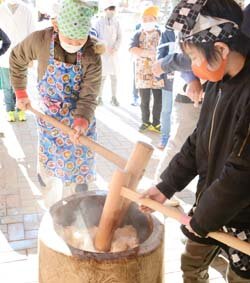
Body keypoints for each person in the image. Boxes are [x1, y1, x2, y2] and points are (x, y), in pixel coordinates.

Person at [142, 0, 250, 281]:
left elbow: (242, 173)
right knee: (191, 265)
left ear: (221, 49)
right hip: (209, 205)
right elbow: (197, 141)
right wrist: (166, 185)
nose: (193, 67)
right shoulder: (218, 82)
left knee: (239, 277)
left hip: (243, 218)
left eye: (194, 58)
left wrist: (201, 220)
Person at [9, 0, 102, 207]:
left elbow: (89, 94)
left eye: (80, 40)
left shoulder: (92, 52)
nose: (74, 43)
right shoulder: (41, 40)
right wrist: (21, 92)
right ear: (57, 26)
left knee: (79, 179)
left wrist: (81, 121)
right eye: (69, 38)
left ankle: (79, 214)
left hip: (79, 123)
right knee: (48, 172)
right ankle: (52, 212)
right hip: (50, 120)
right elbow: (17, 57)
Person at [129, 5, 163, 133]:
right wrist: (148, 53)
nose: (147, 22)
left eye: (150, 19)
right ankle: (145, 122)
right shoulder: (138, 34)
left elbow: (165, 50)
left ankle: (156, 123)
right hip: (142, 72)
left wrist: (143, 52)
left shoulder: (161, 33)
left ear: (155, 19)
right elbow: (132, 49)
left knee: (158, 99)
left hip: (158, 72)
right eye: (145, 19)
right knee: (144, 100)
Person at [0, 0, 35, 122]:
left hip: (22, 56)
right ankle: (9, 110)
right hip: (4, 56)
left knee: (20, 85)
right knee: (6, 86)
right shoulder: (1, 9)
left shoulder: (26, 10)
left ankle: (20, 110)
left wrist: (31, 56)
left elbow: (32, 34)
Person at [94, 0, 122, 106]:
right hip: (102, 53)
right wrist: (104, 47)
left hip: (113, 54)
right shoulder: (99, 22)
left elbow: (120, 37)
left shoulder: (117, 22)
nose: (111, 11)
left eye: (113, 9)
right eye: (109, 9)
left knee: (114, 77)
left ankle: (114, 97)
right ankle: (99, 97)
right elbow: (95, 37)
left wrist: (115, 48)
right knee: (102, 77)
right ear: (105, 10)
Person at [156, 28, 175, 149]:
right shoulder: (168, 32)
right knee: (167, 109)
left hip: (186, 79)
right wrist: (159, 75)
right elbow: (160, 53)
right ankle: (165, 136)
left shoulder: (191, 29)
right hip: (169, 77)